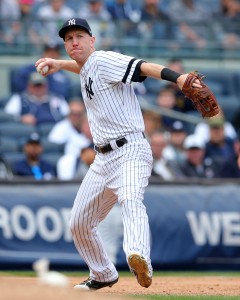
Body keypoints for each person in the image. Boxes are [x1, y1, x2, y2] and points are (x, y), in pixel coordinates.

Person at [35, 17, 202, 291]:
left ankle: (139, 256)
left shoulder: (103, 60)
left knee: (130, 198)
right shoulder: (89, 67)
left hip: (131, 150)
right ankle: (102, 274)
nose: (74, 41)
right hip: (103, 159)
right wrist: (58, 64)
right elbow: (82, 68)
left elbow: (142, 67)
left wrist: (178, 78)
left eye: (79, 36)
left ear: (92, 40)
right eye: (68, 38)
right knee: (79, 223)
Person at [5, 71, 69, 126]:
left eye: (40, 85)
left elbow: (68, 115)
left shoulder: (57, 98)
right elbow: (7, 116)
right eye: (35, 85)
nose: (38, 88)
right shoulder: (18, 98)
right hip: (29, 133)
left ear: (46, 86)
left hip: (54, 131)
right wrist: (21, 118)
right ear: (28, 86)